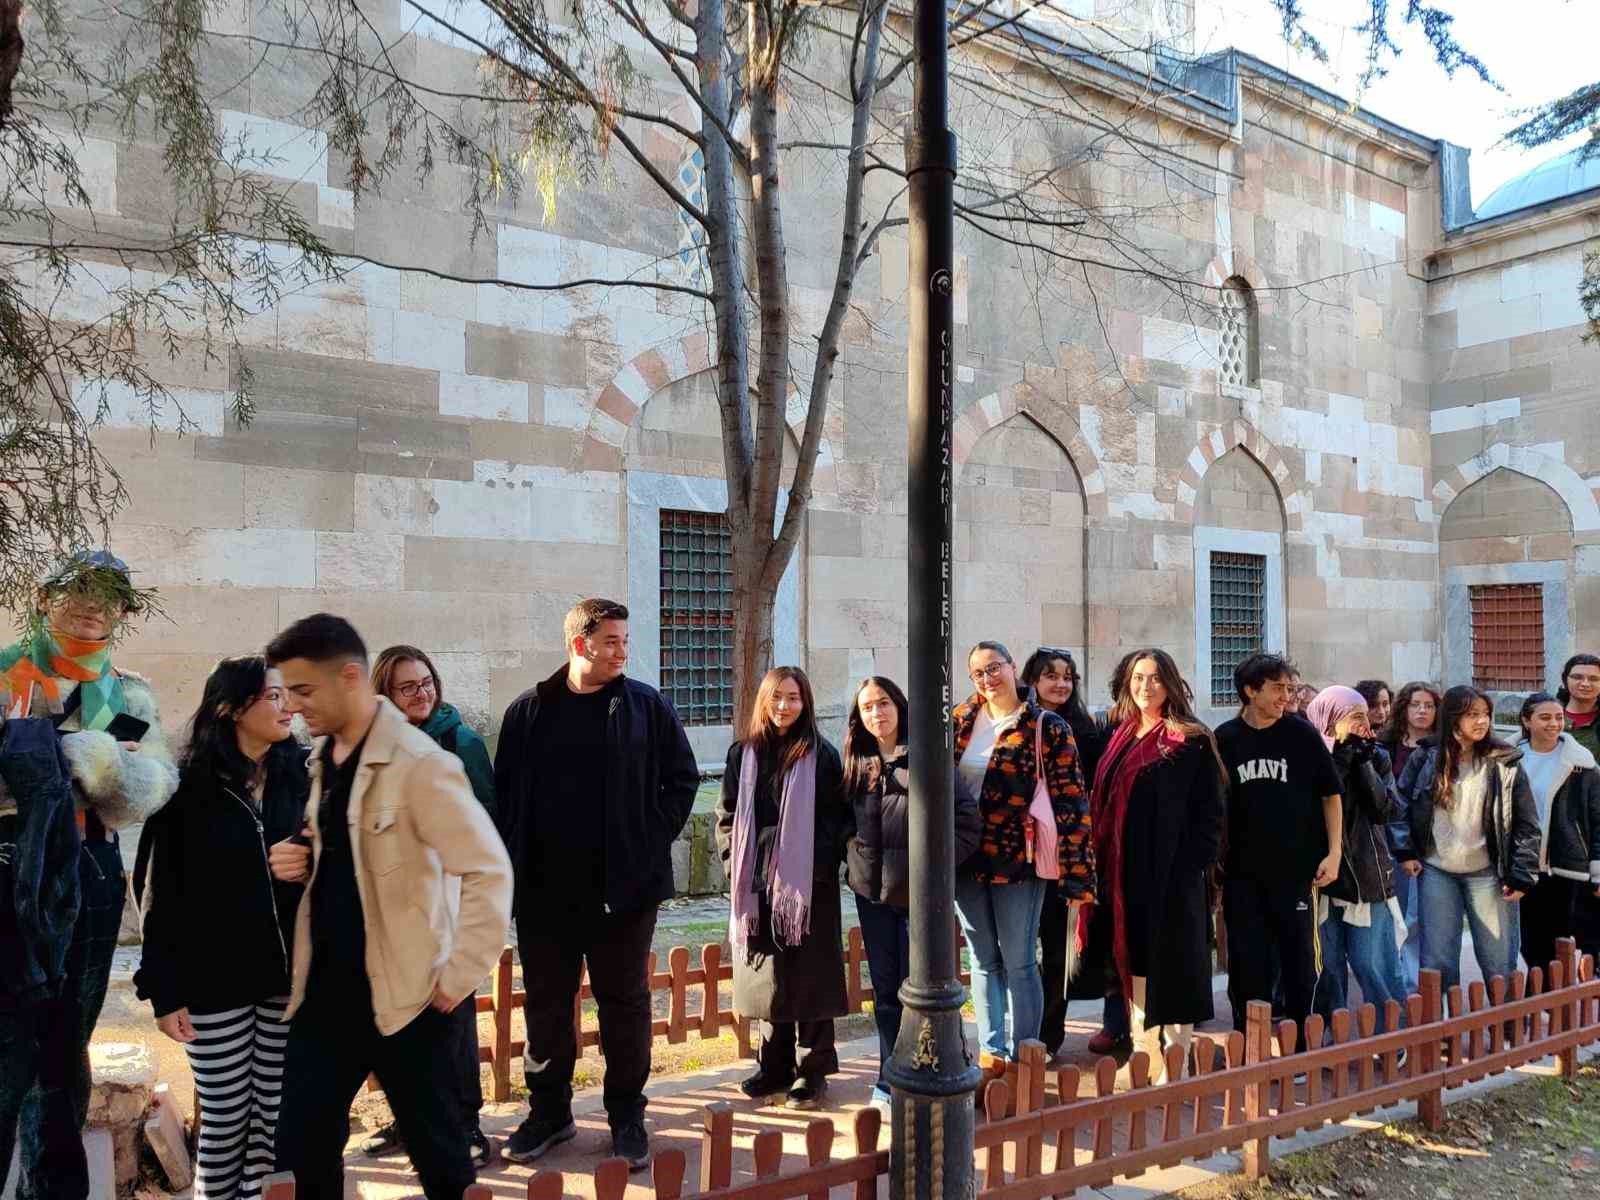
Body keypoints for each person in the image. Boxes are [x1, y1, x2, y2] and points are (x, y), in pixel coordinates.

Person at [266, 615, 512, 1200]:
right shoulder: (325, 755)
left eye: (304, 690)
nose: (294, 706)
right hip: (325, 995)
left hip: (408, 999)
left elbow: (488, 869)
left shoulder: (421, 764)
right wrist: (301, 857)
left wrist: (458, 973)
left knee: (441, 1160)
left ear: (349, 678)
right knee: (305, 1143)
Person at [0, 549, 179, 1200]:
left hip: (92, 873)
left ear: (126, 612)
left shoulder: (127, 693)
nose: (89, 604)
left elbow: (147, 784)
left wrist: (102, 765)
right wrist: (38, 766)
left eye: (108, 594)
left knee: (65, 1045)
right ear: (43, 598)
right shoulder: (8, 677)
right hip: (7, 865)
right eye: (74, 589)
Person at [494, 599, 697, 1168]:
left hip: (623, 895)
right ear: (579, 644)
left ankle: (627, 1114)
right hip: (544, 898)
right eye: (612, 641)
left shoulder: (646, 706)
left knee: (624, 1006)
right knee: (546, 1009)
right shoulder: (528, 712)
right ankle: (550, 1113)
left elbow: (681, 780)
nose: (623, 651)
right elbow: (508, 803)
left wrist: (648, 839)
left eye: (624, 640)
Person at [133, 657, 308, 1200]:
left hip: (287, 980)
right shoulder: (186, 788)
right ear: (231, 708)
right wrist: (164, 991)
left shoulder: (300, 775)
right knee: (226, 1119)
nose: (288, 707)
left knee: (272, 1120)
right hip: (213, 982)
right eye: (273, 697)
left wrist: (311, 858)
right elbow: (159, 895)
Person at [363, 646, 497, 1169]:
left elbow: (485, 824)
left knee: (452, 1017)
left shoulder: (460, 742)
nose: (422, 694)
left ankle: (466, 1124)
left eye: (426, 683)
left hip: (451, 905)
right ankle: (409, 1118)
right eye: (407, 687)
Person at [951, 641, 1093, 1079]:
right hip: (964, 859)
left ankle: (1025, 1054)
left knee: (1018, 959)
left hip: (1017, 860)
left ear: (1014, 669)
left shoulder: (1045, 726)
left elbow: (1072, 801)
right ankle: (992, 1053)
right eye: (978, 672)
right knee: (981, 959)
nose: (988, 678)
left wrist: (1077, 875)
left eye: (995, 667)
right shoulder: (960, 720)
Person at [1083, 649, 1222, 1083]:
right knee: (1134, 961)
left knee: (1176, 965)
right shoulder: (1119, 735)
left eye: (1156, 679)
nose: (1146, 687)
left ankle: (1176, 1054)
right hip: (1123, 875)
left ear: (1172, 685)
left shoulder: (1189, 739)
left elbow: (1210, 813)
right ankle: (1145, 1053)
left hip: (1173, 877)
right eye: (1139, 678)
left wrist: (1190, 869)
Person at [843, 675, 979, 1110]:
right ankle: (889, 1073)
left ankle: (942, 1063)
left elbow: (966, 822)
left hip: (921, 898)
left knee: (930, 987)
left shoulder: (927, 757)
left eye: (883, 703)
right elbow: (841, 825)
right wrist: (856, 863)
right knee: (885, 991)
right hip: (874, 897)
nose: (876, 713)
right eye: (867, 707)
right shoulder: (855, 764)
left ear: (899, 707)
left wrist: (935, 869)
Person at [718, 667, 849, 1109]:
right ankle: (773, 1066)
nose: (784, 706)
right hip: (756, 886)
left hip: (806, 890)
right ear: (764, 702)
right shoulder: (744, 755)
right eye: (777, 698)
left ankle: (812, 1071)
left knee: (808, 979)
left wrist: (813, 864)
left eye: (793, 698)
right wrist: (733, 862)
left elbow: (837, 819)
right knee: (768, 978)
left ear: (805, 703)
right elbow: (728, 815)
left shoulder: (822, 756)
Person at [1217, 653, 1342, 1033]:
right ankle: (1249, 1041)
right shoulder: (1225, 739)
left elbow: (1331, 795)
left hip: (1296, 871)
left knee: (1299, 961)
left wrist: (1334, 853)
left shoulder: (1301, 734)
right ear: (1250, 690)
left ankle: (1301, 1042)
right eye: (1277, 688)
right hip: (1242, 873)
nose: (1286, 696)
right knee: (1245, 960)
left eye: (1290, 688)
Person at [1394, 685, 1539, 993]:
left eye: (1486, 714)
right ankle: (1441, 1031)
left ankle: (1506, 1025)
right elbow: (1399, 806)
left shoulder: (1504, 760)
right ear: (1453, 718)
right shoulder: (1426, 757)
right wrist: (1405, 851)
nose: (1482, 721)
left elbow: (1527, 824)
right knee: (1437, 960)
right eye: (1473, 715)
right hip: (1436, 871)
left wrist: (1522, 873)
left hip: (1488, 872)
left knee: (1498, 958)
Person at [1019, 647, 1112, 1059]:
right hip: (1019, 855)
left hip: (1063, 856)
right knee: (1018, 951)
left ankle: (1049, 1034)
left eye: (1067, 676)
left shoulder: (1086, 731)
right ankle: (1020, 1030)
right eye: (1049, 675)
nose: (1060, 683)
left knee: (1057, 950)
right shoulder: (1017, 724)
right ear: (1032, 680)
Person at [1305, 687, 1407, 1035]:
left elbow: (1385, 809)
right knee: (1327, 965)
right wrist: (1338, 760)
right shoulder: (1311, 757)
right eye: (1355, 716)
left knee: (1371, 962)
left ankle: (1393, 1031)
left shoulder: (1374, 756)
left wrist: (1360, 761)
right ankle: (1333, 1032)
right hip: (1321, 877)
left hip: (1366, 875)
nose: (1365, 723)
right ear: (1330, 720)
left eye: (1366, 715)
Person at [1514, 692, 1600, 970]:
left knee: (1561, 938)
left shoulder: (1581, 763)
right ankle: (1541, 999)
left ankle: (1551, 1002)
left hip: (1564, 865)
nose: (1553, 723)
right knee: (1528, 938)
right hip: (1522, 862)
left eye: (1559, 717)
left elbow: (1597, 818)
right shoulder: (1507, 757)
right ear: (1527, 721)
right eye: (1545, 717)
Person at [1378, 682, 1441, 992]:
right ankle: (1398, 979)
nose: (1421, 711)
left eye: (1429, 705)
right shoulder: (1385, 746)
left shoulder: (1444, 747)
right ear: (1403, 708)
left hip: (1431, 843)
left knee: (1422, 916)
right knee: (1398, 914)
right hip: (1392, 843)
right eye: (1415, 704)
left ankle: (1418, 984)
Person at [1558, 654, 1600, 759]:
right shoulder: (1547, 715)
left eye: (1593, 679)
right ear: (1565, 680)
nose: (1585, 684)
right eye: (1577, 677)